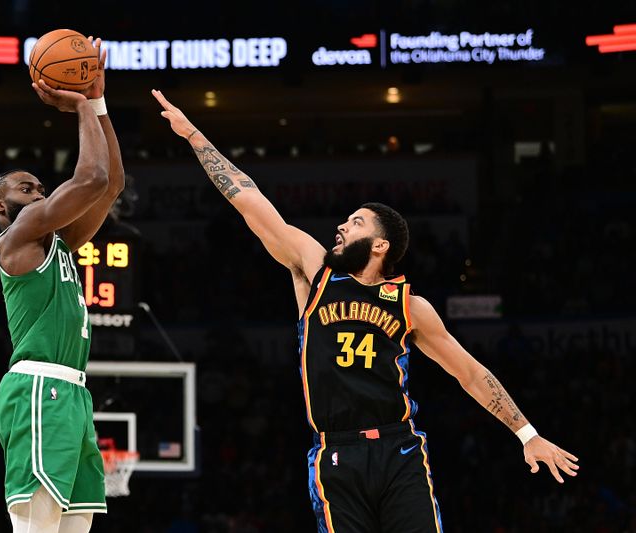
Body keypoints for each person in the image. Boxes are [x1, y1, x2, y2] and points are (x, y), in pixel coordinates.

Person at [151, 89, 579, 533]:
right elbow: (249, 199)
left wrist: (528, 435)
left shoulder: (410, 305)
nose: (341, 225)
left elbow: (469, 373)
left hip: (400, 450)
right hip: (336, 453)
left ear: (380, 245)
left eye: (355, 222)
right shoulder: (315, 273)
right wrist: (194, 135)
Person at [0, 39, 124, 533]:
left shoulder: (60, 239)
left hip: (73, 394)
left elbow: (110, 185)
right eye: (26, 189)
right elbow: (89, 178)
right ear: (1, 208)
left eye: (41, 187)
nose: (39, 193)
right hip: (39, 388)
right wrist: (81, 104)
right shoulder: (17, 237)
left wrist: (99, 103)